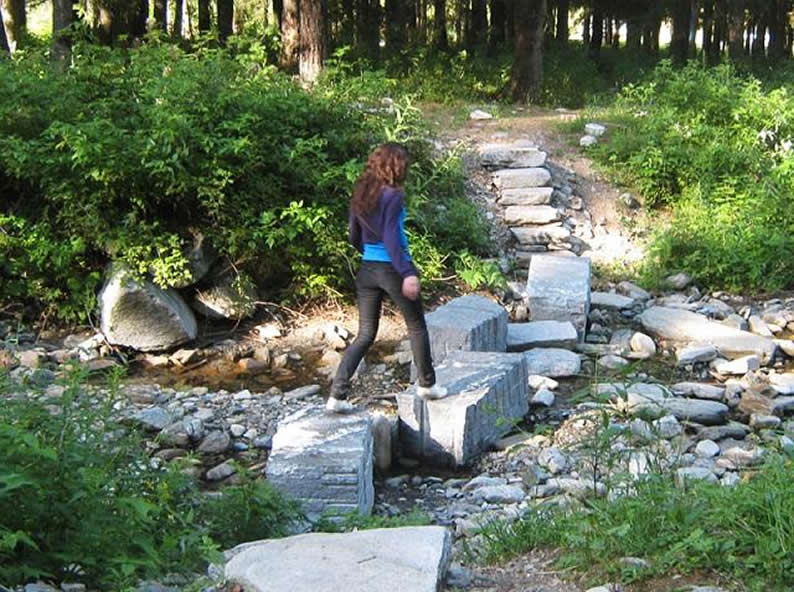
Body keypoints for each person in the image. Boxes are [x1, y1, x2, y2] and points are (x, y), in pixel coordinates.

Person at [326, 143, 448, 413]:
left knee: (365, 334)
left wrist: (369, 256)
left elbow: (354, 235)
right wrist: (407, 273)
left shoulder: (361, 194)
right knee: (416, 326)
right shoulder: (393, 195)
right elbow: (392, 236)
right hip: (393, 269)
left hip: (367, 269)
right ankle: (427, 385)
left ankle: (337, 396)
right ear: (396, 166)